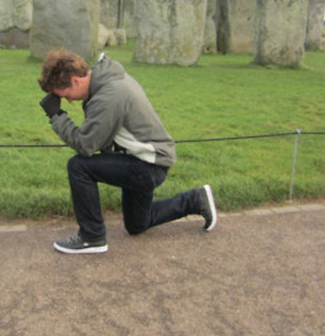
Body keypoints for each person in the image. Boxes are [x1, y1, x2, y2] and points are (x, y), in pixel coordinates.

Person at [38, 50, 217, 254]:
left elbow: (85, 146)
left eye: (66, 95)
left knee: (78, 166)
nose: (69, 101)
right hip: (144, 159)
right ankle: (195, 199)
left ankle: (91, 237)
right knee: (137, 224)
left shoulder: (109, 95)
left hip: (148, 165)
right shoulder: (106, 80)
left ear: (76, 81)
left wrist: (56, 116)